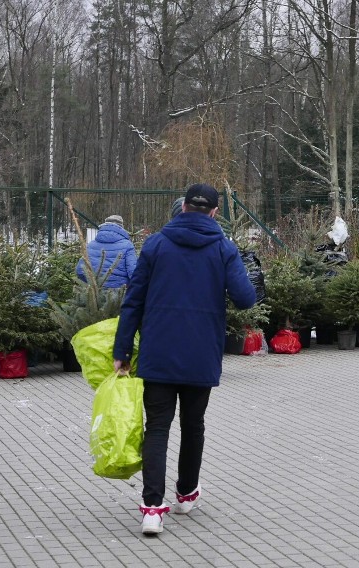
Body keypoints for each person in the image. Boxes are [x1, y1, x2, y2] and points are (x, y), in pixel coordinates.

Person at [112, 183, 256, 535]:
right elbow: (245, 299)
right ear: (214, 212)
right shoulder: (224, 248)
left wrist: (122, 351)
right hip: (200, 354)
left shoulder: (156, 244)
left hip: (158, 352)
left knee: (157, 427)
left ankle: (151, 509)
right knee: (193, 426)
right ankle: (187, 494)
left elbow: (134, 301)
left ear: (184, 207)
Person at [76, 214, 138, 288]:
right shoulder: (128, 245)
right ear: (121, 227)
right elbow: (134, 273)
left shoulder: (90, 245)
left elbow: (80, 270)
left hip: (95, 294)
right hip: (120, 294)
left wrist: (92, 286)